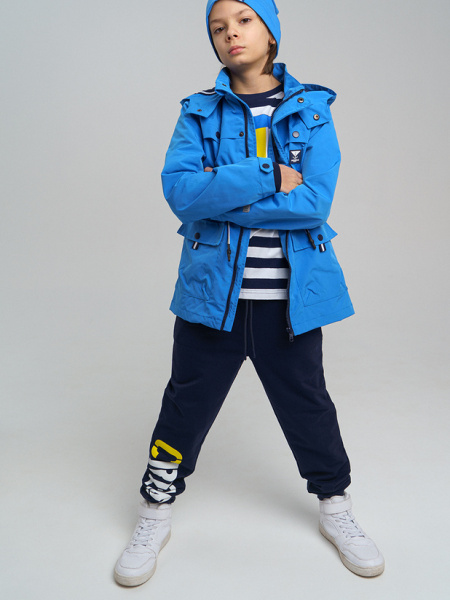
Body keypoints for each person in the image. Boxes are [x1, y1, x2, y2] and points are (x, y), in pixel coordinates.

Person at [114, 0, 385, 586]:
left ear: (270, 30)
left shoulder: (312, 110)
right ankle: (154, 512)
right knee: (184, 405)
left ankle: (335, 507)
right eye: (218, 27)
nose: (230, 34)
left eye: (243, 20)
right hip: (212, 296)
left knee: (308, 405)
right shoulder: (198, 112)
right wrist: (266, 174)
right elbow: (181, 193)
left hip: (289, 299)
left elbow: (313, 203)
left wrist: (222, 195)